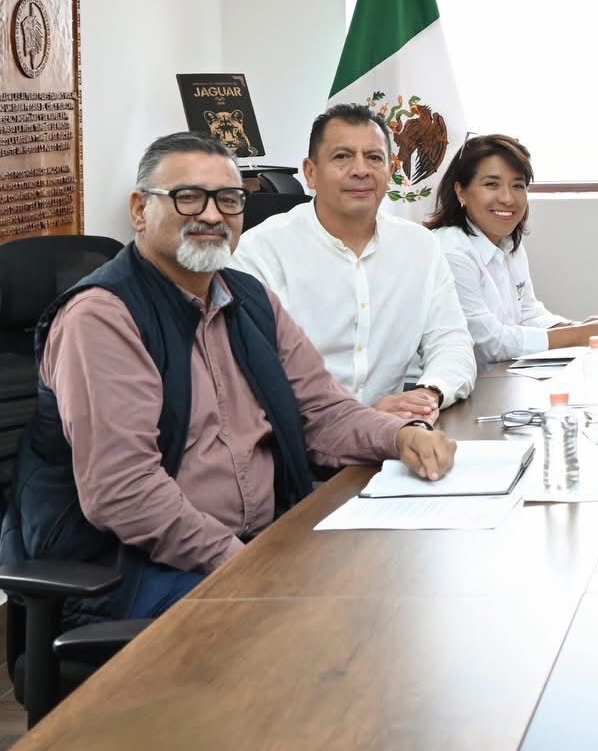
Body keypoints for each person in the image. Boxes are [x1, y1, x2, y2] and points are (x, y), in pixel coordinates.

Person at [0, 133, 458, 623]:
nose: (212, 215)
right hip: (129, 567)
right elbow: (125, 491)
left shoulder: (248, 298)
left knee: (399, 581)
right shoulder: (103, 317)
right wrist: (243, 563)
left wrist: (401, 436)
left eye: (228, 199)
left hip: (252, 543)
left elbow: (322, 411)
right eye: (188, 197)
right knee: (315, 627)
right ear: (139, 210)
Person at [233, 104, 476, 421]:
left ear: (390, 169)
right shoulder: (260, 252)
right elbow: (250, 376)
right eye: (342, 157)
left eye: (374, 158)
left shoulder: (420, 247)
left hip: (393, 431)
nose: (361, 170)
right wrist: (358, 419)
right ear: (310, 173)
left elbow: (452, 342)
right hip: (298, 438)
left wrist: (429, 393)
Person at [428, 133, 598, 365]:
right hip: (435, 385)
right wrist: (577, 335)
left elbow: (528, 314)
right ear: (460, 192)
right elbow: (485, 343)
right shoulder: (450, 251)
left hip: (493, 377)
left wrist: (581, 328)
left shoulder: (508, 244)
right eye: (492, 184)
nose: (508, 198)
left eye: (518, 185)